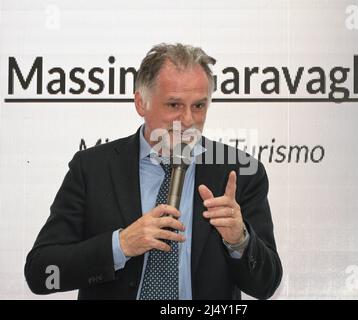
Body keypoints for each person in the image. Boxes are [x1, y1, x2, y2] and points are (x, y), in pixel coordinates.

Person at [24, 43, 282, 300]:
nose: (189, 120)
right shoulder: (92, 168)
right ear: (140, 103)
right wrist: (120, 245)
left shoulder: (240, 173)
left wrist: (239, 241)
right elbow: (41, 272)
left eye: (199, 106)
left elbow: (267, 285)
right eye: (174, 105)